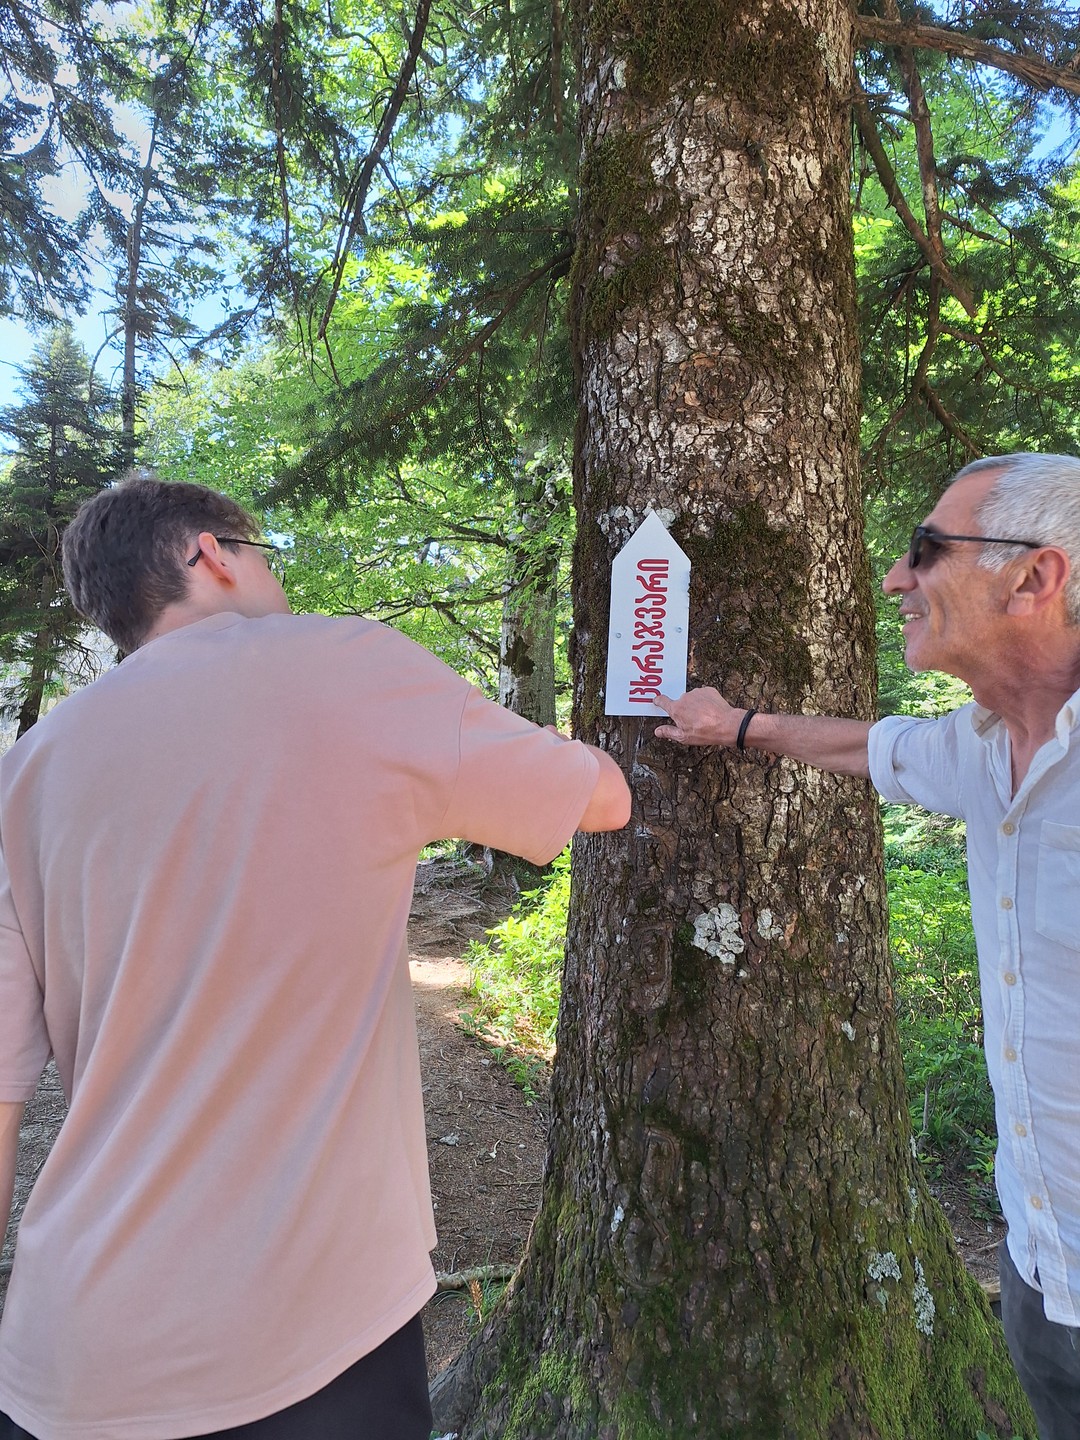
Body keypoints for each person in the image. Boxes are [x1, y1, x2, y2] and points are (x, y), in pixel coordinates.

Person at [0, 475, 630, 1440]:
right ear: (210, 554)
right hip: (307, 1340)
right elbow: (602, 801)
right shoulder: (342, 664)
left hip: (67, 1359)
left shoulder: (27, 771)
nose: (273, 573)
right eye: (263, 551)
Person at [654, 451, 1080, 1440]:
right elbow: (862, 745)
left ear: (1035, 577)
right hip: (1038, 1268)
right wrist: (737, 726)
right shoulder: (982, 748)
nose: (895, 577)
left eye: (926, 551)